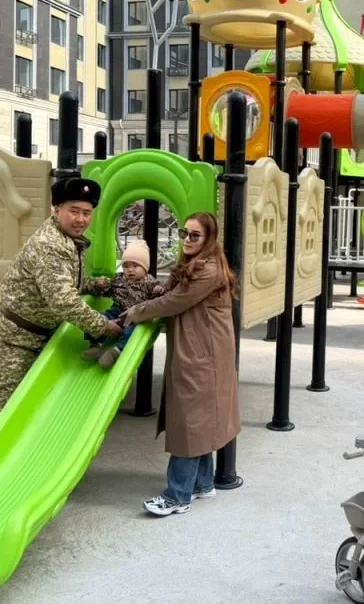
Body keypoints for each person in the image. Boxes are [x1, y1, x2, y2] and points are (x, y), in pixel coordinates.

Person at [0, 176, 122, 434]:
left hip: (42, 335)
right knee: (3, 416)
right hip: (16, 339)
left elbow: (61, 282)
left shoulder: (69, 240)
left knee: (34, 412)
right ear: (56, 210)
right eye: (74, 211)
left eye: (87, 213)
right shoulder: (50, 245)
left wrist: (92, 285)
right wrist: (102, 326)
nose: (81, 219)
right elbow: (62, 300)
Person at [124, 211, 241, 517]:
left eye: (194, 235)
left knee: (190, 423)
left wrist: (137, 310)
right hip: (203, 352)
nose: (187, 240)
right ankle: (202, 483)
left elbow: (175, 301)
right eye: (183, 233)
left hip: (203, 356)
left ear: (209, 239)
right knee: (199, 420)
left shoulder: (208, 270)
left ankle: (177, 496)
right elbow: (175, 292)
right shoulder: (197, 265)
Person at [80, 240, 162, 369]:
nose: (130, 270)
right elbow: (107, 291)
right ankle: (96, 345)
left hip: (135, 316)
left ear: (145, 268)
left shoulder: (150, 282)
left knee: (131, 331)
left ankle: (116, 351)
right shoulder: (118, 280)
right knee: (96, 318)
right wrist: (101, 286)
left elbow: (157, 301)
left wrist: (158, 290)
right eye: (126, 266)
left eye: (135, 266)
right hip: (117, 310)